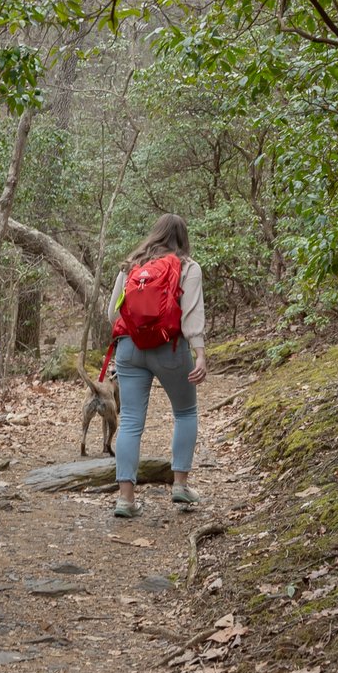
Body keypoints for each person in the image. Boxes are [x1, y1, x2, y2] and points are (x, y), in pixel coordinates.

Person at [105, 213, 207, 519]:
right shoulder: (188, 267)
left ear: (155, 234)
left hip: (129, 349)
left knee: (132, 420)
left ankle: (125, 499)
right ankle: (180, 485)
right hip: (170, 348)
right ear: (182, 238)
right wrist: (200, 353)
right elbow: (191, 315)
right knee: (185, 411)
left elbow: (112, 313)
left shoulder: (132, 266)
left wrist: (136, 333)